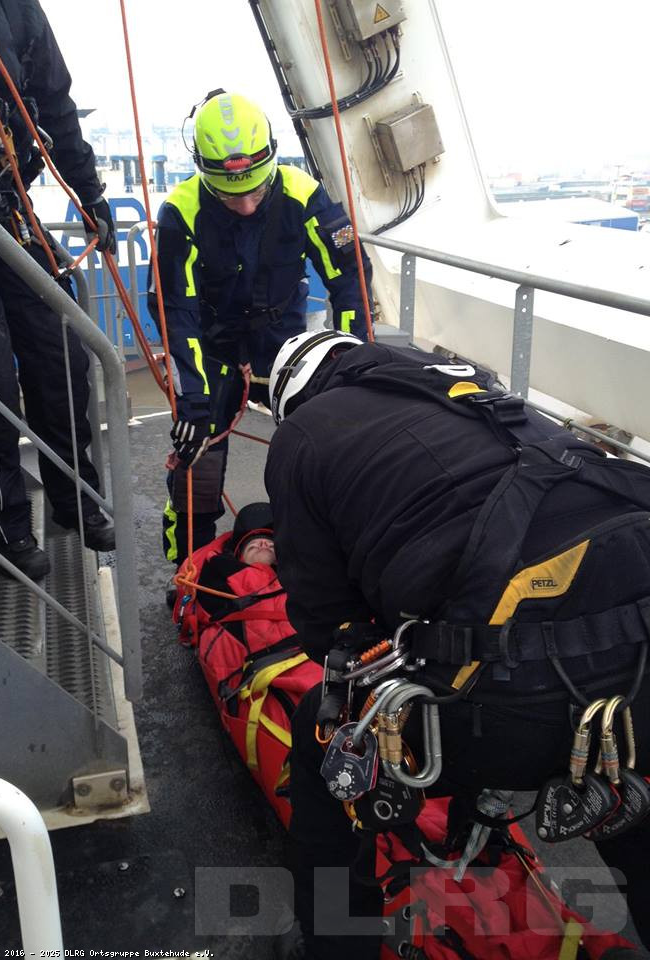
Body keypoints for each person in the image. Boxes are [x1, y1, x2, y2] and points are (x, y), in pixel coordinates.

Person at [264, 330, 650, 960]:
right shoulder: (470, 387)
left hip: (511, 707)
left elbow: (329, 625)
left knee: (322, 739)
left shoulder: (303, 437)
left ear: (291, 399)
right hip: (640, 650)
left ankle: (336, 944)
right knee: (628, 774)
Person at [147, 89, 372, 582]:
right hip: (213, 348)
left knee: (327, 449)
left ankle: (323, 564)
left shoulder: (303, 195)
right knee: (197, 461)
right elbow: (175, 313)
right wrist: (193, 402)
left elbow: (350, 281)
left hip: (284, 345)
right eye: (231, 197)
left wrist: (353, 370)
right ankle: (190, 572)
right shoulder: (180, 212)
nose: (247, 207)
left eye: (257, 191)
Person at [0, 0, 117, 580]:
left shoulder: (17, 10)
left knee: (60, 351)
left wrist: (89, 192)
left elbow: (54, 102)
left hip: (5, 200)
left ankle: (74, 497)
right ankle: (5, 524)